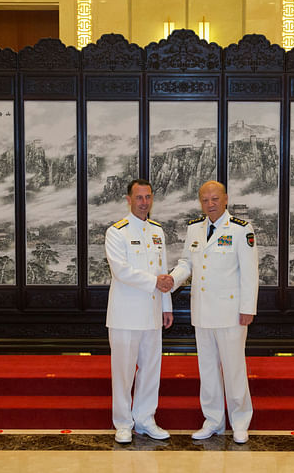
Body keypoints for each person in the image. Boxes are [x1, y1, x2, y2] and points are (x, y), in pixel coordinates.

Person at [167, 180, 258, 444]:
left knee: (233, 369)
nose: (210, 204)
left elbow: (250, 273)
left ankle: (240, 421)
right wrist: (173, 279)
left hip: (231, 313)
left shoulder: (242, 230)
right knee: (207, 370)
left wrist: (247, 308)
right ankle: (213, 421)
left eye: (215, 199)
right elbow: (187, 262)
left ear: (226, 199)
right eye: (205, 200)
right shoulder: (194, 229)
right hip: (203, 311)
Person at [104, 178, 175, 444]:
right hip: (125, 314)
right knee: (123, 371)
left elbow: (163, 270)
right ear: (129, 199)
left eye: (148, 197)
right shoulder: (117, 232)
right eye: (139, 197)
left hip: (152, 312)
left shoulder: (157, 231)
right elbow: (121, 271)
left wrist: (166, 306)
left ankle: (145, 419)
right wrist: (155, 282)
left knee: (150, 369)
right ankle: (123, 423)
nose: (144, 202)